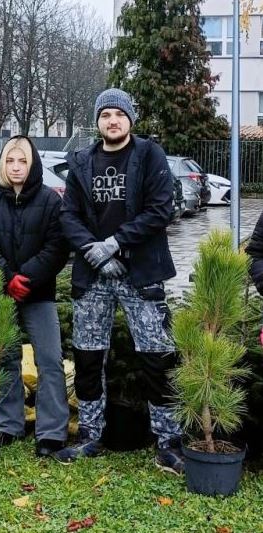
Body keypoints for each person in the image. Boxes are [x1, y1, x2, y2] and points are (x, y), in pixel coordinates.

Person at [56, 88, 183, 474]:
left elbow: (161, 209)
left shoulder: (149, 155)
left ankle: (169, 442)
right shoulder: (81, 161)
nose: (112, 120)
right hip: (93, 275)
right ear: (97, 121)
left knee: (157, 356)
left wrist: (115, 244)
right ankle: (90, 435)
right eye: (105, 114)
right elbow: (68, 215)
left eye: (119, 114)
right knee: (88, 356)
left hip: (140, 273)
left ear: (130, 119)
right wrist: (92, 250)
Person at [0, 135, 70, 458]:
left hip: (39, 294)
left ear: (33, 165)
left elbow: (58, 247)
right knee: (6, 358)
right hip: (4, 296)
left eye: (23, 161)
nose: (16, 167)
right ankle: (8, 425)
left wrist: (27, 277)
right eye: (10, 161)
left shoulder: (51, 202)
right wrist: (8, 279)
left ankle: (51, 432)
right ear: (2, 165)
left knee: (50, 360)